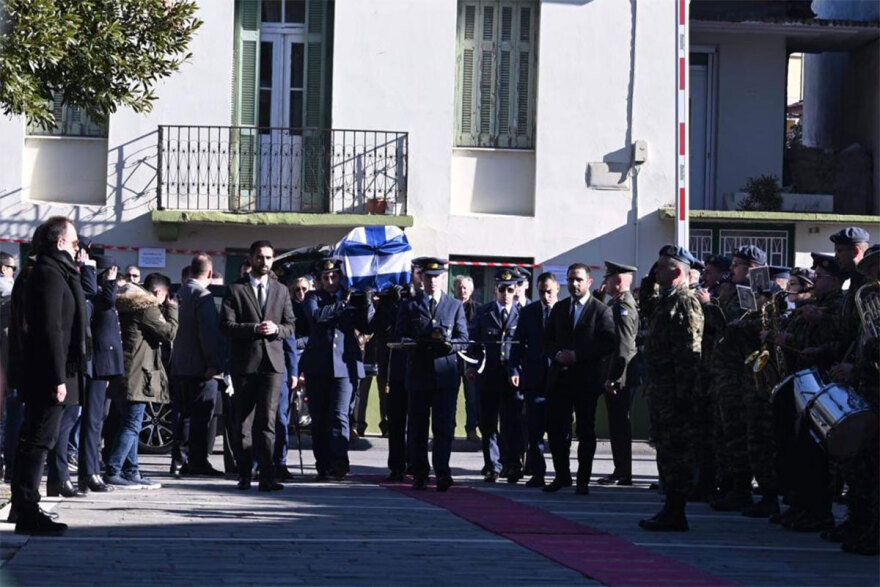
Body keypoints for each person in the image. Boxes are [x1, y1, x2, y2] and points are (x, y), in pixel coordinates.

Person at [10, 217, 87, 535]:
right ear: (59, 243)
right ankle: (27, 509)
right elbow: (50, 329)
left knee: (39, 438)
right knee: (38, 439)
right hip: (49, 372)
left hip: (55, 370)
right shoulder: (48, 273)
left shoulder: (57, 272)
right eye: (74, 242)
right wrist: (57, 378)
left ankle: (24, 505)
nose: (77, 247)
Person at [220, 241, 295, 491]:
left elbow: (291, 326)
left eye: (269, 258)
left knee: (268, 421)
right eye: (260, 257)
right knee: (244, 421)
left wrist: (277, 330)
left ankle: (267, 475)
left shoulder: (281, 290)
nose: (265, 262)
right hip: (245, 363)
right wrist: (253, 329)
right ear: (251, 259)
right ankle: (244, 474)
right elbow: (226, 326)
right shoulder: (235, 289)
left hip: (273, 364)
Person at [639, 245, 703, 531]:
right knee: (665, 450)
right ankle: (670, 508)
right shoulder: (666, 299)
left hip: (675, 392)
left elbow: (690, 353)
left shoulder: (684, 302)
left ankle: (676, 510)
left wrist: (684, 395)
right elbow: (647, 304)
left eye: (661, 267)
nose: (656, 271)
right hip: (662, 389)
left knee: (676, 451)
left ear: (677, 272)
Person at [395, 258, 468, 491]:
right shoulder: (409, 305)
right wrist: (416, 343)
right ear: (421, 278)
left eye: (436, 277)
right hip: (418, 374)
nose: (432, 281)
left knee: (443, 427)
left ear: (443, 278)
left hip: (445, 375)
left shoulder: (454, 305)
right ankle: (420, 472)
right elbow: (400, 337)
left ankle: (443, 472)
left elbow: (463, 338)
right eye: (428, 277)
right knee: (417, 427)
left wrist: (450, 345)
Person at [543, 263, 616, 494]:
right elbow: (547, 340)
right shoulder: (559, 308)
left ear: (589, 282)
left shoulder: (600, 310)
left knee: (585, 431)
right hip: (560, 380)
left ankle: (582, 480)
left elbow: (607, 343)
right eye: (571, 279)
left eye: (579, 280)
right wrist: (557, 354)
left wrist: (577, 356)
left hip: (586, 381)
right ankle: (561, 476)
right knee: (557, 430)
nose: (574, 284)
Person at [105, 273, 178, 489]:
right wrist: (172, 310)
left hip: (128, 371)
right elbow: (169, 333)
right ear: (158, 293)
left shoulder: (131, 306)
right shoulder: (146, 308)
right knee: (131, 425)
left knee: (131, 424)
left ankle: (131, 470)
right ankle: (114, 469)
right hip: (138, 374)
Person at [301, 258, 372, 481]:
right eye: (326, 277)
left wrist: (367, 302)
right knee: (320, 418)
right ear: (320, 280)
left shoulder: (351, 298)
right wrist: (342, 304)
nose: (331, 281)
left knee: (340, 415)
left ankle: (340, 460)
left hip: (345, 366)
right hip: (318, 366)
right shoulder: (314, 298)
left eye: (335, 277)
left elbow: (368, 325)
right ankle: (322, 463)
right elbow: (316, 316)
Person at [169, 254, 226, 478]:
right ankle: (198, 462)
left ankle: (178, 461)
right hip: (201, 367)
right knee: (201, 417)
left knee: (183, 416)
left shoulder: (180, 293)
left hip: (180, 364)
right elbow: (208, 334)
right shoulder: (203, 296)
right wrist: (214, 363)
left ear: (191, 271)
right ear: (210, 274)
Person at [468, 269, 523, 483]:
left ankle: (512, 464)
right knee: (488, 423)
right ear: (495, 290)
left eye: (510, 289)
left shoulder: (523, 314)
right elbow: (473, 344)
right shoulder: (483, 313)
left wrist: (519, 371)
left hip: (511, 377)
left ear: (516, 290)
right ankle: (492, 465)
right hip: (488, 375)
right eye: (502, 289)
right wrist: (471, 367)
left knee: (511, 423)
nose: (506, 294)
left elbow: (526, 347)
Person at [77, 254, 123, 494]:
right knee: (92, 422)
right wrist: (110, 281)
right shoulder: (98, 294)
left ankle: (91, 470)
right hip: (97, 363)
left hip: (104, 365)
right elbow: (107, 301)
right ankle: (89, 472)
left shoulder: (100, 292)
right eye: (112, 272)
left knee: (97, 422)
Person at [509, 272, 559, 487]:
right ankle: (538, 472)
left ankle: (561, 473)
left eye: (549, 291)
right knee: (534, 430)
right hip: (534, 378)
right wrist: (514, 369)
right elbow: (518, 343)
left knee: (558, 430)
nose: (546, 296)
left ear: (557, 289)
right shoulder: (529, 312)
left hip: (559, 379)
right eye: (541, 292)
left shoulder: (565, 311)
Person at [599, 261, 639, 487]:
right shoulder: (617, 304)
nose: (605, 282)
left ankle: (623, 472)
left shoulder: (623, 306)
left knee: (620, 425)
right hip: (620, 374)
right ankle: (621, 470)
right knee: (617, 424)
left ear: (619, 281)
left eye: (609, 278)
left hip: (621, 376)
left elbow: (623, 346)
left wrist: (615, 377)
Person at [453, 274, 480, 442]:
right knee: (450, 397)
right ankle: (450, 429)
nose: (462, 291)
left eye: (465, 288)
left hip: (470, 359)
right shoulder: (450, 306)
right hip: (453, 358)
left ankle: (472, 430)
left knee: (472, 397)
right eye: (459, 287)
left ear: (471, 290)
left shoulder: (478, 308)